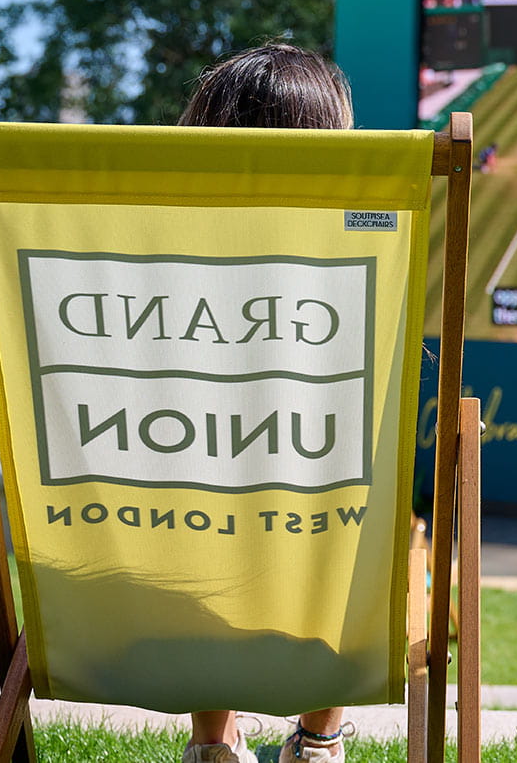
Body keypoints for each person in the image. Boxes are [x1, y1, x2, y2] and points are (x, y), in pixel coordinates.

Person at [176, 42, 362, 763]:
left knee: (200, 515)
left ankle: (213, 742)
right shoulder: (349, 282)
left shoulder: (156, 280)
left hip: (163, 555)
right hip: (317, 533)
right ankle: (320, 741)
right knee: (346, 517)